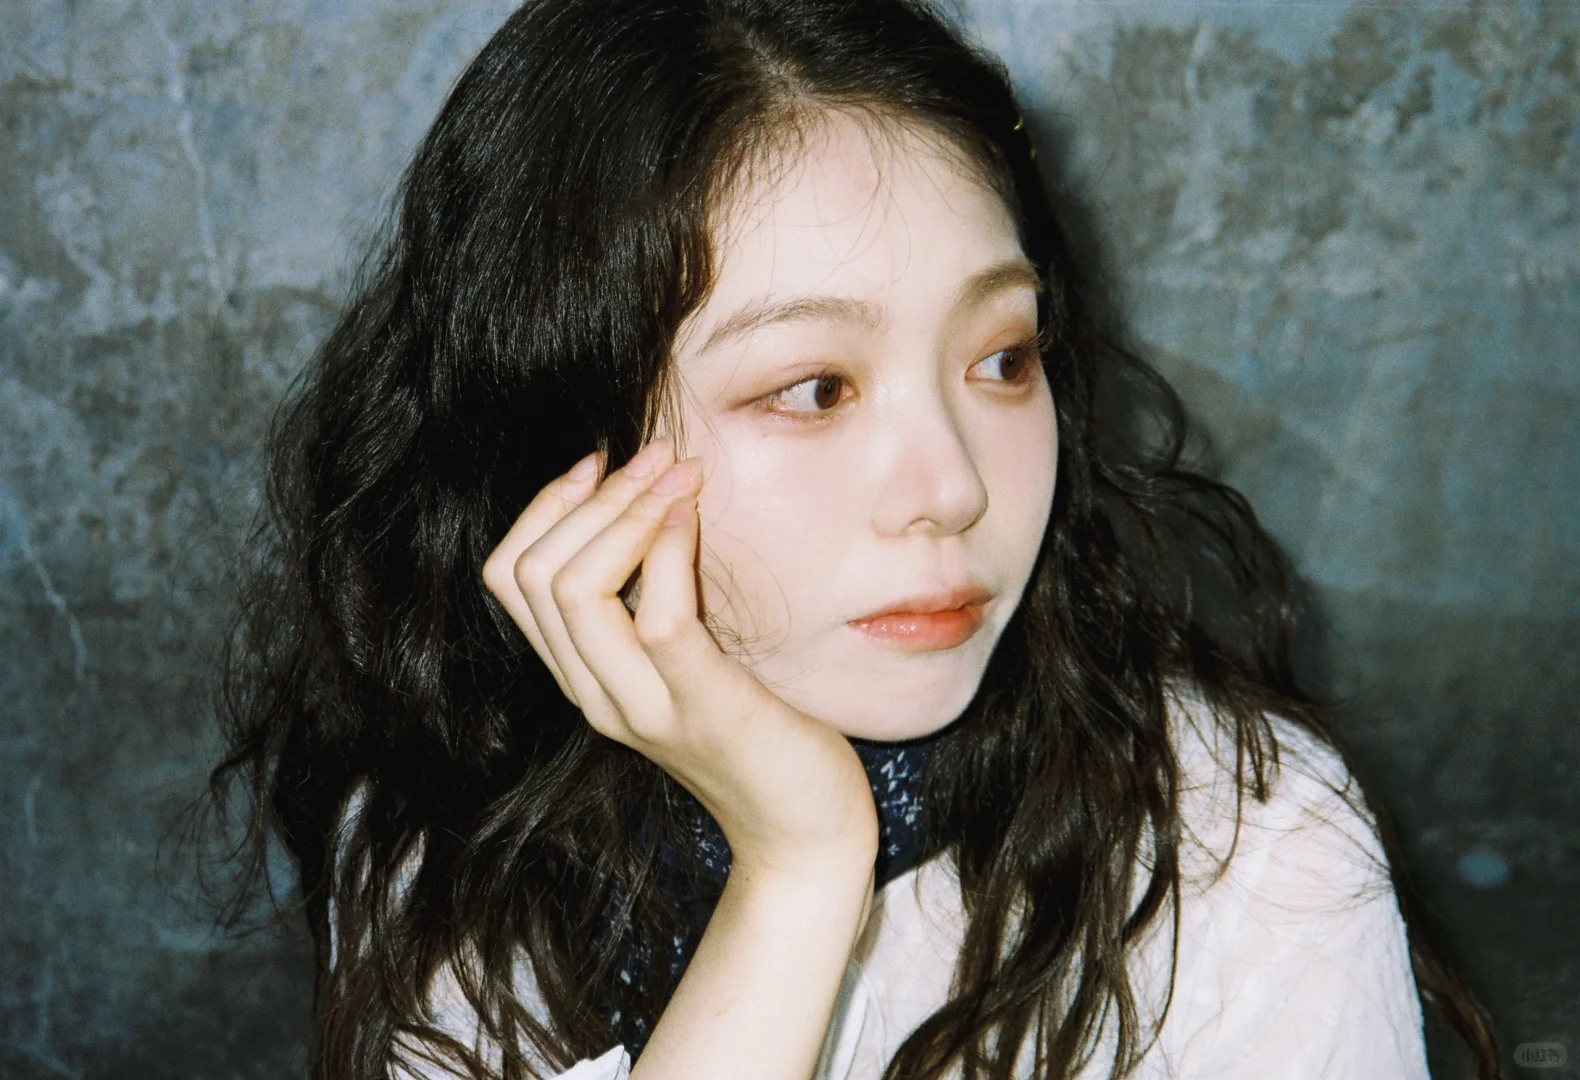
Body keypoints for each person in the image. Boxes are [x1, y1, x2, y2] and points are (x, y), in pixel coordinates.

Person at [210, 1, 1503, 1077]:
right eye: (817, 388)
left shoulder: (1240, 839)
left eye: (1003, 359)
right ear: (560, 441)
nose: (953, 486)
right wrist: (799, 866)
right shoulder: (450, 832)